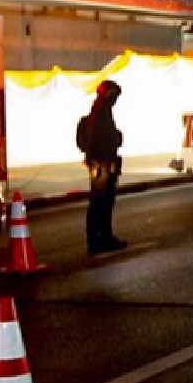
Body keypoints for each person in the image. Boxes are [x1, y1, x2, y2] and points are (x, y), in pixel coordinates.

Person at [78, 79, 127, 253]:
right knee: (102, 203)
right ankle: (101, 239)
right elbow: (105, 139)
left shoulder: (98, 111)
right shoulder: (101, 113)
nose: (115, 100)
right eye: (114, 96)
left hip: (99, 165)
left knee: (100, 202)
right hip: (103, 166)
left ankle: (99, 239)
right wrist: (118, 137)